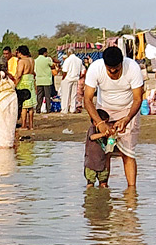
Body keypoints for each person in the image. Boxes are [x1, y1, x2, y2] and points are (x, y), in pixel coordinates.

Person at [82, 47, 145, 187]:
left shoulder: (132, 68)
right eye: (109, 69)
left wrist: (127, 118)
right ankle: (104, 190)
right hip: (104, 111)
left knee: (128, 153)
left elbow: (138, 99)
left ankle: (131, 192)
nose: (112, 72)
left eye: (116, 69)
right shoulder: (95, 68)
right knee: (105, 152)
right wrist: (99, 123)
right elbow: (87, 100)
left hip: (128, 110)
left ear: (121, 64)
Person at [84, 110, 113, 187]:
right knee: (90, 184)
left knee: (103, 183)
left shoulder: (105, 131)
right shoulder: (92, 129)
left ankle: (103, 196)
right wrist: (103, 134)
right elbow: (92, 137)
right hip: (91, 163)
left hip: (102, 162)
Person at [15, 46, 35, 130]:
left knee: (24, 105)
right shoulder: (31, 60)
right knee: (31, 106)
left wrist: (15, 84)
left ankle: (23, 125)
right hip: (31, 81)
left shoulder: (22, 61)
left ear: (20, 52)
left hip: (24, 82)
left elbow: (19, 74)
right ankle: (31, 125)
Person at [59, 49, 83, 113]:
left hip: (68, 78)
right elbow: (81, 71)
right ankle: (73, 108)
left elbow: (65, 71)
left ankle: (64, 109)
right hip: (75, 78)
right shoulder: (79, 60)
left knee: (65, 95)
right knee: (73, 95)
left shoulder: (68, 60)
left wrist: (63, 78)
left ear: (69, 52)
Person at [34, 48, 56, 114]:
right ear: (45, 53)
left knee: (39, 96)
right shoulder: (47, 59)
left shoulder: (36, 60)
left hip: (39, 80)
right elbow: (52, 66)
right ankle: (48, 109)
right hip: (46, 80)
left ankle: (38, 109)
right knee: (47, 96)